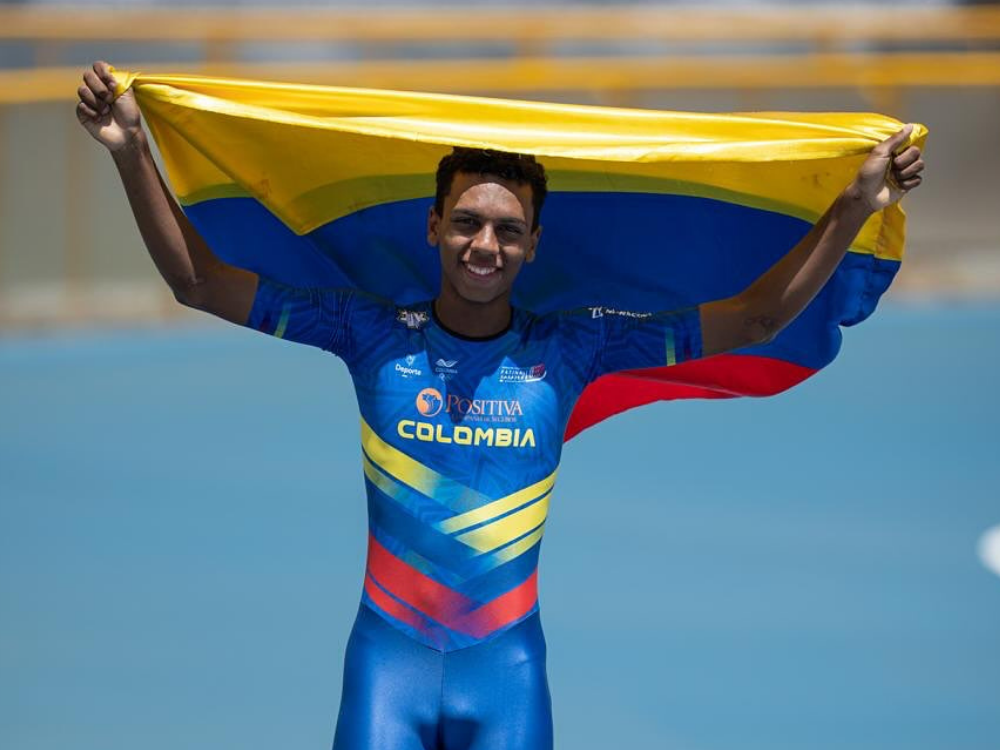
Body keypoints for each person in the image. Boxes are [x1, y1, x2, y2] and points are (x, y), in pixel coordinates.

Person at [77, 60, 924, 750]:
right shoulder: (368, 333)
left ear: (533, 244)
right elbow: (198, 282)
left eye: (508, 230)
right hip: (387, 670)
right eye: (467, 223)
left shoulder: (578, 346)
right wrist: (130, 150)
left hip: (506, 677)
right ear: (433, 227)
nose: (485, 244)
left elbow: (758, 318)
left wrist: (855, 203)